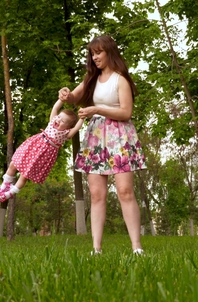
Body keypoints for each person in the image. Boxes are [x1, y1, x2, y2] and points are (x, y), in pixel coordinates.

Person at [58, 35, 146, 255]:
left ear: (109, 52)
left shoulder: (120, 80)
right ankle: (96, 249)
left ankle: (137, 247)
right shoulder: (91, 78)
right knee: (97, 194)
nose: (94, 57)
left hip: (120, 137)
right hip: (96, 138)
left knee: (125, 191)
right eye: (92, 53)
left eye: (98, 52)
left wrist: (97, 109)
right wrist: (65, 94)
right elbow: (73, 99)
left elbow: (126, 112)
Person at [0, 99, 84, 201]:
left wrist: (82, 118)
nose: (58, 120)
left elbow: (76, 128)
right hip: (33, 146)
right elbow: (55, 108)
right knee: (14, 163)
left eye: (62, 121)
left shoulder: (65, 134)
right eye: (59, 117)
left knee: (25, 174)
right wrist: (61, 99)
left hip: (43, 155)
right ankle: (5, 185)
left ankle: (11, 192)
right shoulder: (52, 122)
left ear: (68, 127)